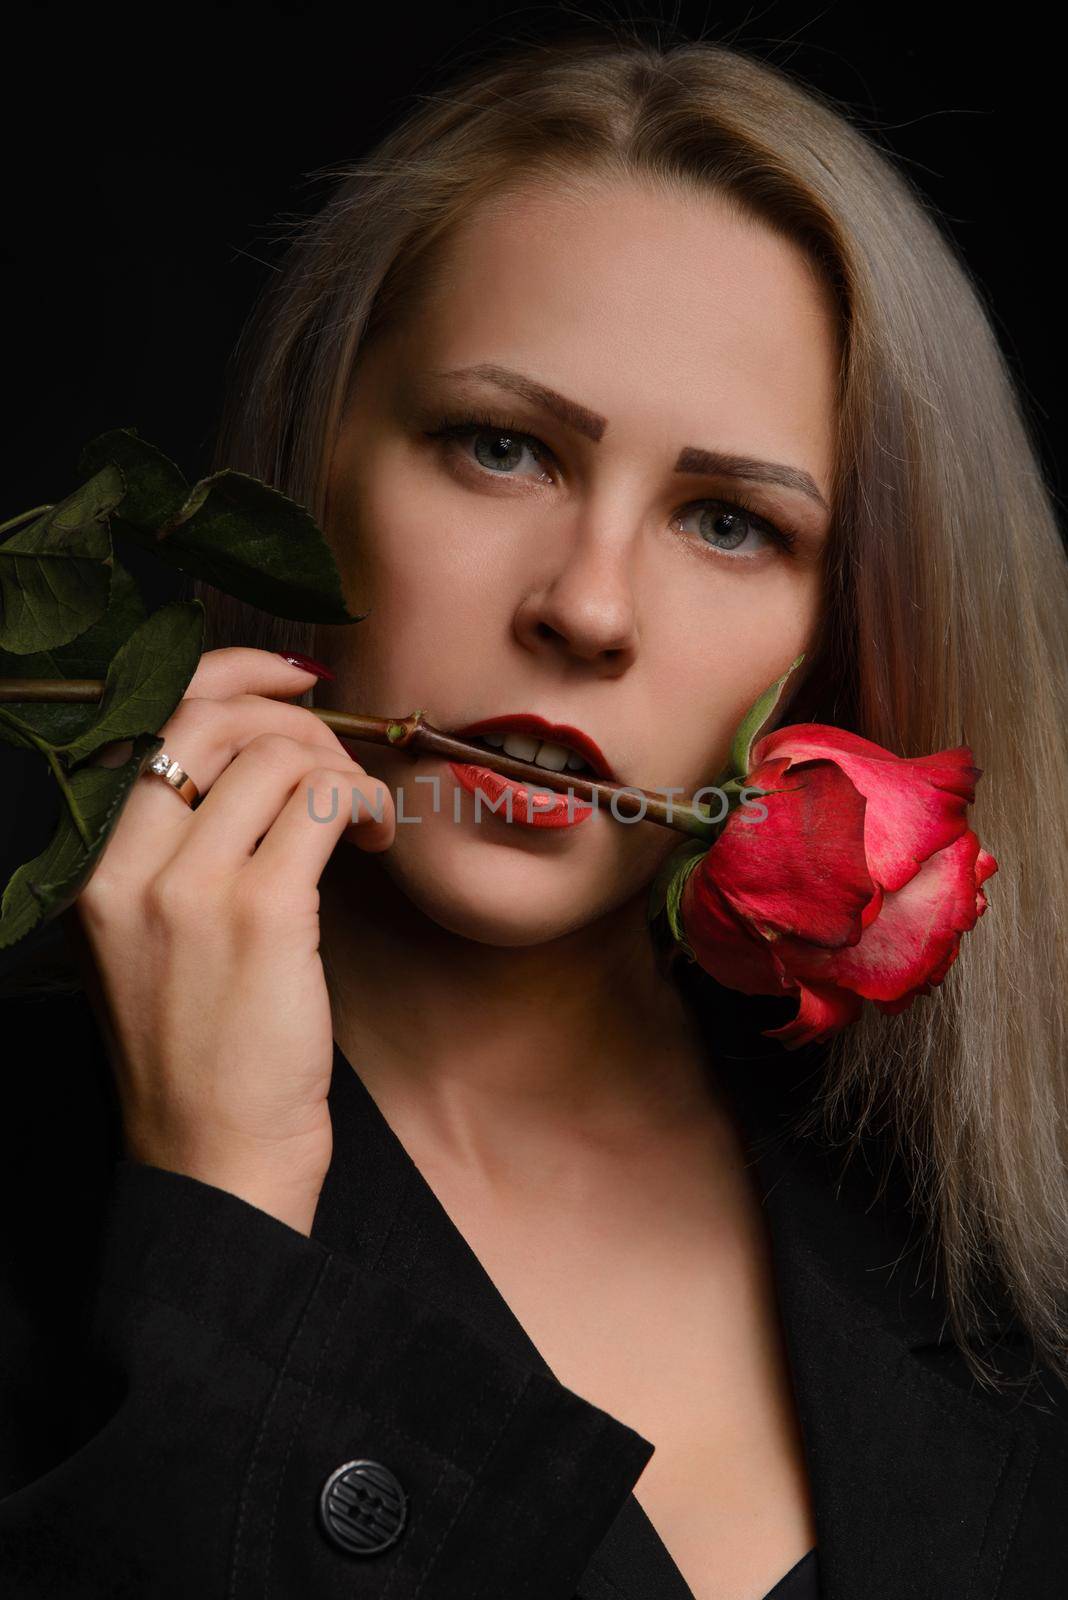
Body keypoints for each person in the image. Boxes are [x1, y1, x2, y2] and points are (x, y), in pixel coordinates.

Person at [2, 25, 1067, 1600]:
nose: (586, 607)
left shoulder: (981, 1250)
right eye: (500, 448)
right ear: (313, 465)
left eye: (729, 521)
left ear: (855, 625)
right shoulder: (40, 1174)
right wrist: (218, 1225)